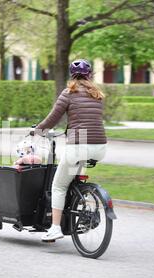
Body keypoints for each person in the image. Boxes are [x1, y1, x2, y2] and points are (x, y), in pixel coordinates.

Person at [33, 59, 107, 241]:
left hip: (79, 146)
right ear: (89, 75)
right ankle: (79, 201)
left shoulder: (69, 93)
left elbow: (53, 118)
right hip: (100, 147)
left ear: (71, 75)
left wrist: (37, 131)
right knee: (74, 177)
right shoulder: (97, 94)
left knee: (58, 186)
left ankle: (56, 228)